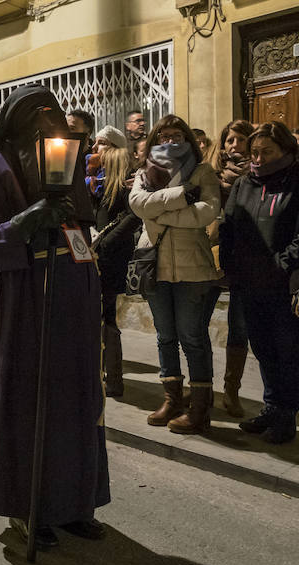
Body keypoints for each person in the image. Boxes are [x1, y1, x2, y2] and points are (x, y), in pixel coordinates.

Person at [0, 84, 109, 549]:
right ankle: (27, 507)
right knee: (29, 401)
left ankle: (73, 503)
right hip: (25, 298)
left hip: (73, 293)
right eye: (38, 117)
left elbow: (82, 226)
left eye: (56, 116)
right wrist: (29, 218)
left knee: (76, 400)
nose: (50, 126)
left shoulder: (65, 159)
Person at [220, 121, 299, 444]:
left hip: (284, 283)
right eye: (255, 152)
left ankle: (287, 414)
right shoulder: (244, 184)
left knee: (286, 350)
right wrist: (230, 262)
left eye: (267, 151)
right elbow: (229, 223)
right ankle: (271, 406)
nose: (259, 158)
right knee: (262, 347)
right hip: (249, 283)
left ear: (286, 150)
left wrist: (281, 263)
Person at [128, 114, 221, 434]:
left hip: (192, 267)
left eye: (175, 135)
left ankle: (200, 407)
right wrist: (182, 197)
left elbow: (206, 213)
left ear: (187, 139)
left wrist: (160, 213)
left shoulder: (202, 171)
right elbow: (138, 205)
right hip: (155, 264)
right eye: (162, 136)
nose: (169, 141)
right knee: (165, 337)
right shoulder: (144, 172)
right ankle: (172, 398)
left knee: (192, 338)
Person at [207, 119, 255, 417]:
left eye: (240, 139)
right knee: (196, 326)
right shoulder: (210, 175)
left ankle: (231, 391)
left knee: (239, 328)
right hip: (209, 256)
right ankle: (202, 387)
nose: (234, 145)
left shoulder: (259, 176)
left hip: (242, 261)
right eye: (229, 140)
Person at [92, 144, 141, 397]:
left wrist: (106, 242)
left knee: (106, 317)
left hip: (109, 260)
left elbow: (134, 216)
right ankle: (106, 376)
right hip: (104, 257)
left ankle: (112, 379)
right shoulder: (104, 188)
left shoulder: (122, 189)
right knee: (103, 316)